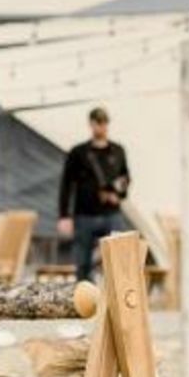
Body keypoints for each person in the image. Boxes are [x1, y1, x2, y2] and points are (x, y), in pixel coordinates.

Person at [57, 106, 129, 281]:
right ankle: (85, 302)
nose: (101, 127)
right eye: (97, 123)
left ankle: (116, 300)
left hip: (111, 213)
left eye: (104, 123)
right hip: (85, 214)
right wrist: (64, 215)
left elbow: (125, 178)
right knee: (82, 263)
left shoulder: (117, 151)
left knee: (119, 259)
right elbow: (67, 184)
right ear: (91, 124)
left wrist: (117, 195)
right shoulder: (78, 152)